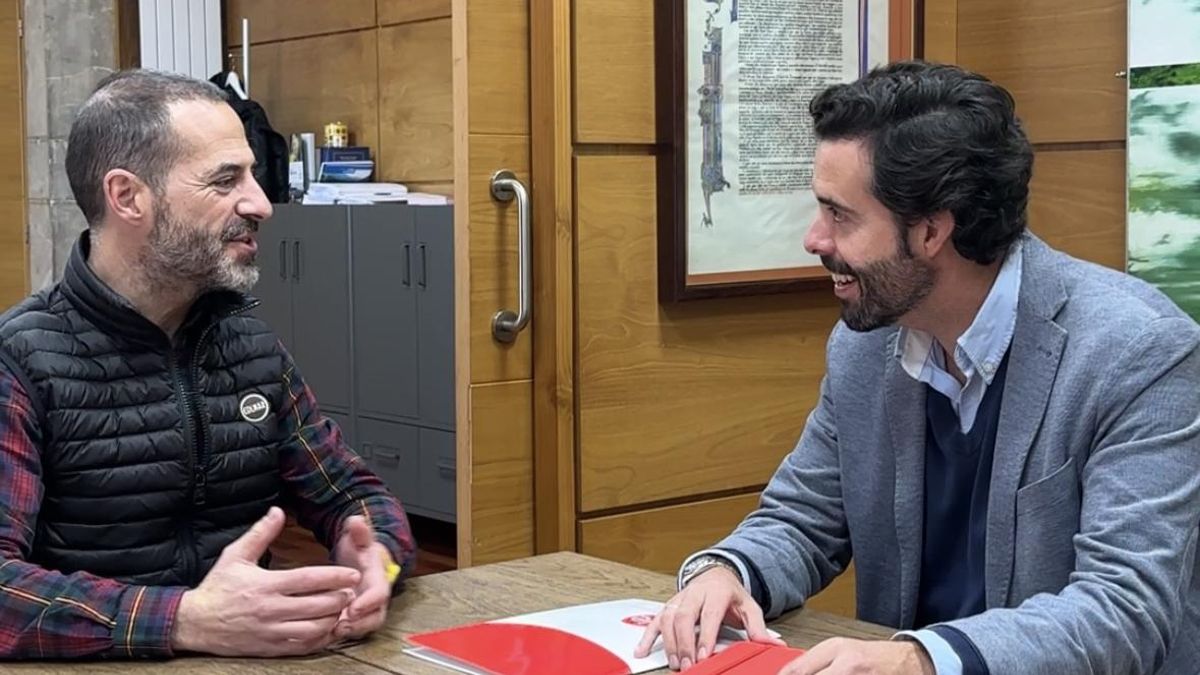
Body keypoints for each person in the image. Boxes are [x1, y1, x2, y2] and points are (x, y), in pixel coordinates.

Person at [635, 61, 1200, 674]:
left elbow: (1122, 611)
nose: (814, 239)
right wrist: (726, 570)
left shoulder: (1140, 353)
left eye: (840, 216)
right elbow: (803, 517)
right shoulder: (865, 344)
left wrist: (921, 660)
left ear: (932, 229)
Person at [0, 70, 416, 659]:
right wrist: (182, 620)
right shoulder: (18, 361)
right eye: (226, 180)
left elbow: (353, 494)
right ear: (127, 197)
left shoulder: (248, 345)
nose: (261, 203)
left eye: (252, 173)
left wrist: (378, 560)